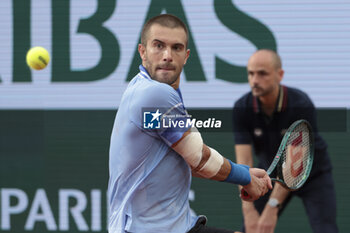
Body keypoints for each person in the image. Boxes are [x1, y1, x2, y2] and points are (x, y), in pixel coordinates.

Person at [108, 14, 272, 233]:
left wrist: (245, 175)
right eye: (158, 46)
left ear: (186, 56)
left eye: (176, 48)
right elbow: (198, 158)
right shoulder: (154, 94)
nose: (167, 55)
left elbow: (187, 160)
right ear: (142, 52)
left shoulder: (144, 88)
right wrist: (244, 176)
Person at [232, 49, 338, 233]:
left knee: (326, 229)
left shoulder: (300, 103)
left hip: (312, 175)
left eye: (262, 73)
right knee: (249, 229)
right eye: (251, 73)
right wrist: (248, 209)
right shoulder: (242, 107)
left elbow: (293, 167)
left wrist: (272, 208)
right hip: (270, 174)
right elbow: (244, 163)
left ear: (279, 75)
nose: (255, 80)